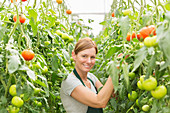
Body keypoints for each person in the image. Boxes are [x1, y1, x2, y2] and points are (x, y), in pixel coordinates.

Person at [60, 37, 114, 113]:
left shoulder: (91, 77)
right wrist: (114, 71)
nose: (89, 61)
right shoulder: (69, 81)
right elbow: (100, 101)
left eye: (92, 57)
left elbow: (109, 95)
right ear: (74, 55)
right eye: (84, 56)